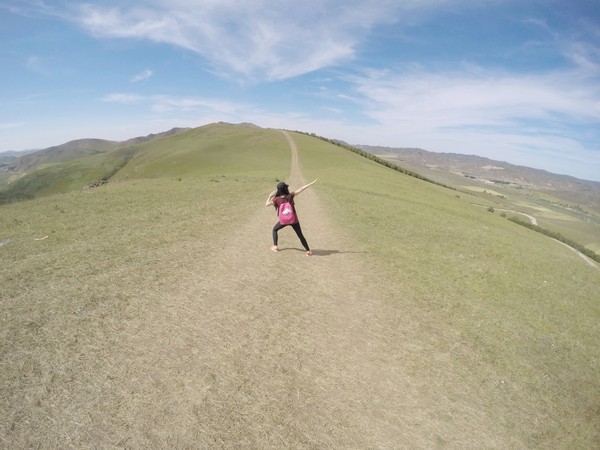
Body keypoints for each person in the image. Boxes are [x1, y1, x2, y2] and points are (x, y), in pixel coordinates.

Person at [265, 179, 317, 256]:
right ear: (286, 188)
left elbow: (266, 204)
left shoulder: (276, 199)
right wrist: (311, 183)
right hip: (294, 220)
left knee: (275, 229)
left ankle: (275, 246)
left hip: (284, 221)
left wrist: (270, 196)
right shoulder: (290, 196)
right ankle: (308, 251)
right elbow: (301, 189)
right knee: (300, 235)